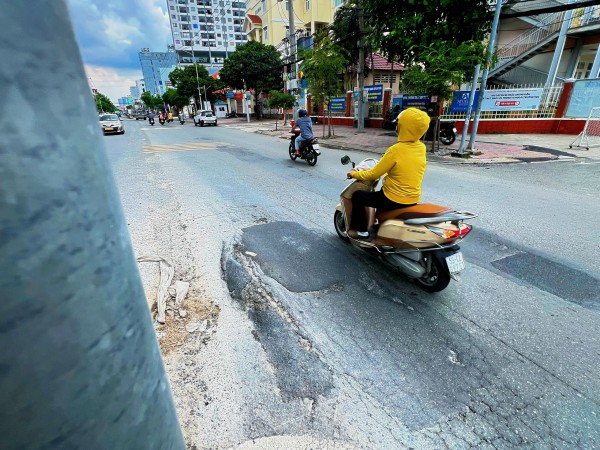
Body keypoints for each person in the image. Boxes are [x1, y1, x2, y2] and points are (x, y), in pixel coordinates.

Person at [346, 107, 431, 240]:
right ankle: (379, 224)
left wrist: (354, 174)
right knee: (379, 194)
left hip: (394, 198)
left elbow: (373, 174)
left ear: (403, 127)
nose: (397, 127)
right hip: (413, 197)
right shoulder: (421, 147)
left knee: (358, 196)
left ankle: (361, 231)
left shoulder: (395, 150)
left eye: (399, 124)